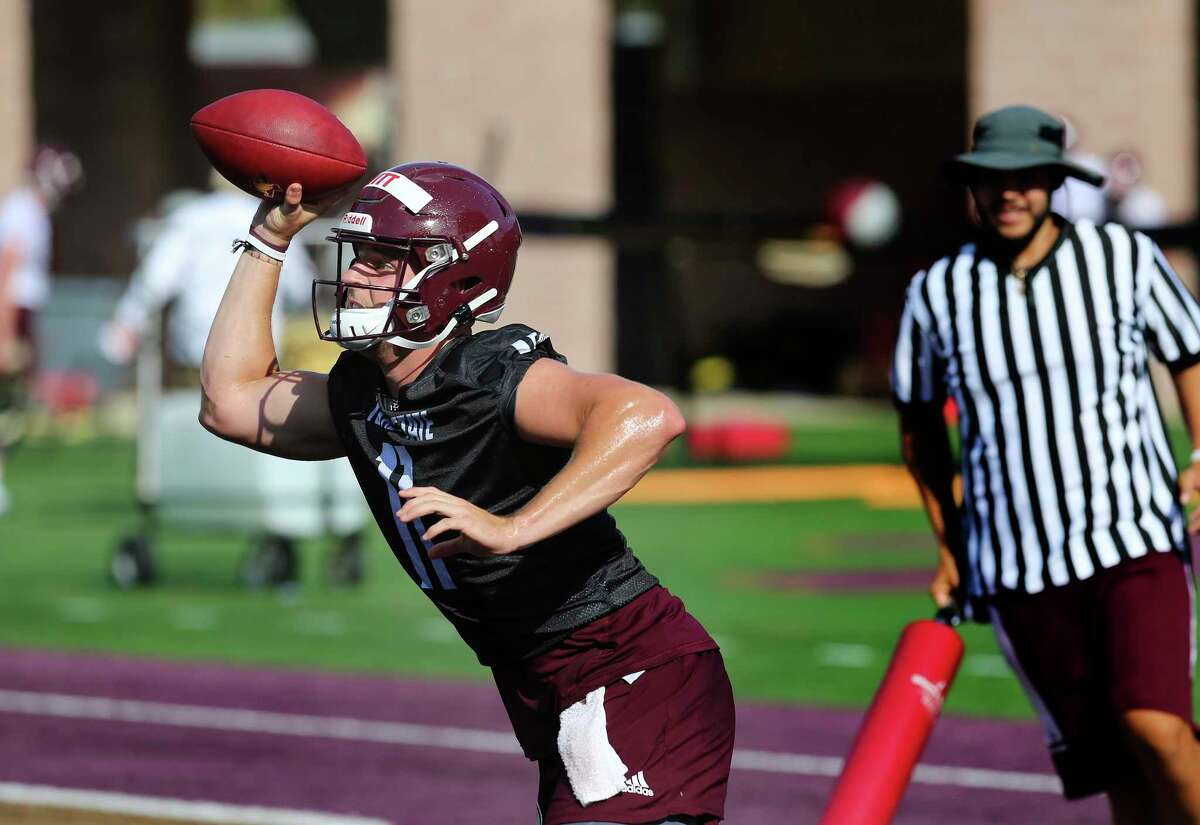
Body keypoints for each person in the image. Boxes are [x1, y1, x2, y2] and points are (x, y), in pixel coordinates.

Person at [199, 162, 735, 824]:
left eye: (381, 259)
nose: (355, 275)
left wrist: (513, 526)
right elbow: (229, 400)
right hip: (546, 682)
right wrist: (268, 239)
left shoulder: (488, 373)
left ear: (451, 280)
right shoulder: (361, 391)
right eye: (357, 256)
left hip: (629, 670)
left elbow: (650, 415)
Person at [893, 104, 1200, 823]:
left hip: (1135, 540)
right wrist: (948, 546)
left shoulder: (1121, 258)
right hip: (1017, 568)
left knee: (1157, 728)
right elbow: (919, 429)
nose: (1009, 194)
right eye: (993, 180)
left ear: (1055, 181)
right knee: (1116, 767)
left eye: (1028, 179)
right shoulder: (935, 292)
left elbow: (1189, 349)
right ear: (971, 186)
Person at [100, 174, 367, 587]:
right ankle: (285, 523)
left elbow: (154, 282)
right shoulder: (262, 218)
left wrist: (124, 328)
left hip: (199, 357)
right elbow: (298, 289)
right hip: (258, 359)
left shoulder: (191, 218)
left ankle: (261, 520)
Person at [0, 144, 83, 515]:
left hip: (20, 313)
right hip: (11, 313)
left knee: (12, 404)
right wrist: (4, 335)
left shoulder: (30, 212)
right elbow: (6, 273)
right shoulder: (23, 213)